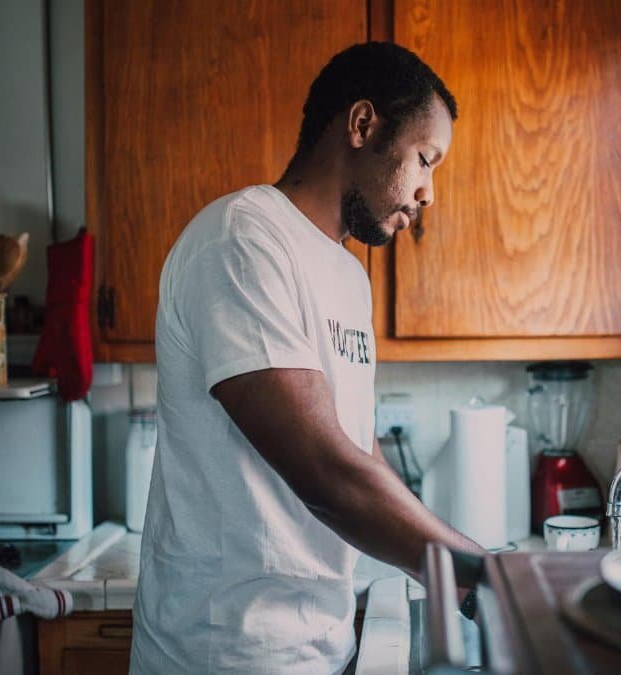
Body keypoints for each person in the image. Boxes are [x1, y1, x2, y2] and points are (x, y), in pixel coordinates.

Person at [131, 42, 485, 674]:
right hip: (226, 653)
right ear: (361, 125)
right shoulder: (242, 239)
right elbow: (326, 472)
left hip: (315, 644)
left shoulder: (348, 276)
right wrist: (474, 571)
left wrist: (452, 566)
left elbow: (354, 449)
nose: (429, 192)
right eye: (425, 159)